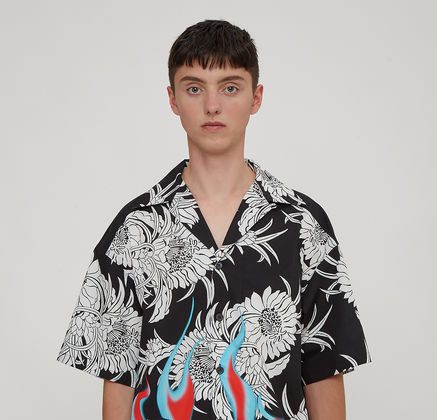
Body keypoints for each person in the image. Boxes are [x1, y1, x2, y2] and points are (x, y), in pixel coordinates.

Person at [56, 19, 372, 420]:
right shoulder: (135, 229)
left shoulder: (302, 224)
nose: (212, 106)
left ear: (256, 97)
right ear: (172, 99)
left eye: (230, 88)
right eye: (194, 88)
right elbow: (117, 378)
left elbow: (324, 369)